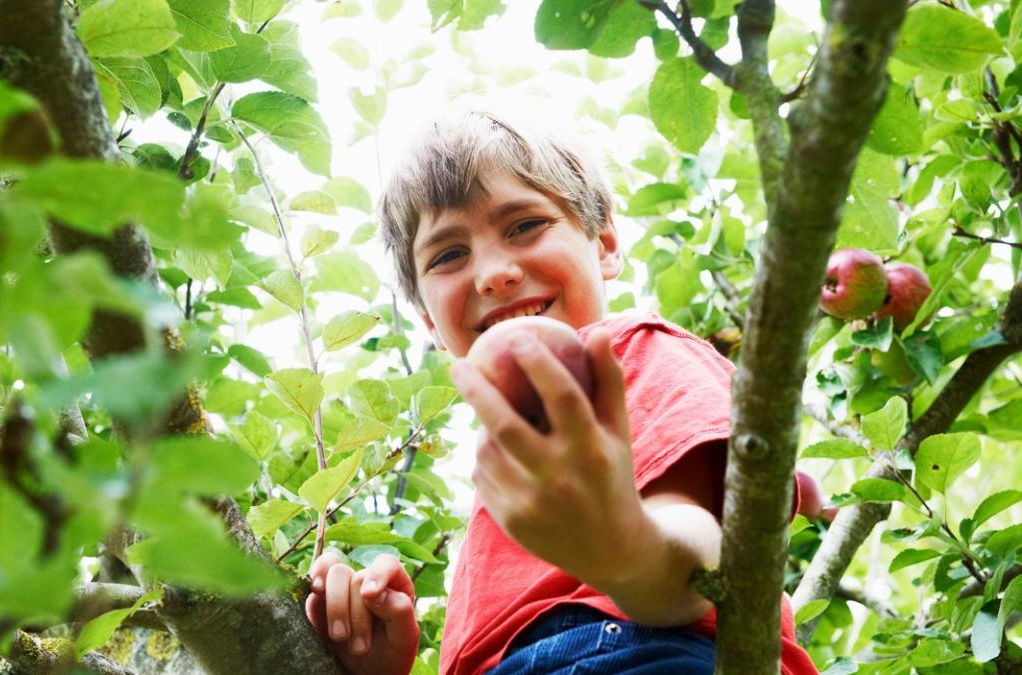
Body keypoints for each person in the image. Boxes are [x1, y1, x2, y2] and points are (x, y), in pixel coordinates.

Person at [304, 107, 819, 675]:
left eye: (525, 225)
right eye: (449, 255)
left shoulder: (630, 351)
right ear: (430, 322)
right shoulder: (511, 470)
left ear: (605, 243)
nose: (493, 274)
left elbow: (700, 540)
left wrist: (631, 552)